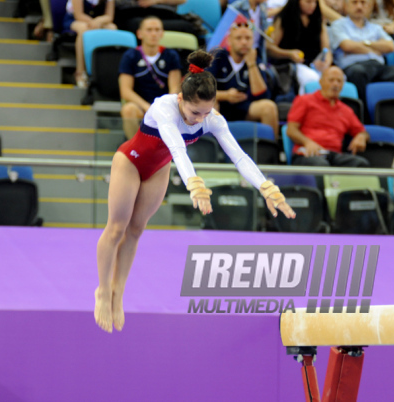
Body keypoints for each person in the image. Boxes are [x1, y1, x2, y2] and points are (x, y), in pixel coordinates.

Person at [94, 50, 296, 333]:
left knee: (136, 230)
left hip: (158, 170)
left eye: (206, 112)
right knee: (117, 228)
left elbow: (238, 156)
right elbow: (176, 147)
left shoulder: (212, 118)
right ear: (181, 100)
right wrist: (193, 182)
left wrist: (265, 185)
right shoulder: (164, 107)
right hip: (130, 162)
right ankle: (103, 290)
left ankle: (118, 291)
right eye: (193, 112)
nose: (199, 119)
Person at [287, 66, 370, 167]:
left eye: (339, 81)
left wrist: (361, 136)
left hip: (333, 155)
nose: (335, 84)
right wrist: (308, 142)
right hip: (308, 153)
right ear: (321, 82)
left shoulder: (346, 110)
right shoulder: (304, 101)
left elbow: (362, 131)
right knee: (321, 165)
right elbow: (291, 130)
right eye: (331, 80)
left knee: (361, 164)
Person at [206, 23, 279, 137]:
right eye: (239, 38)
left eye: (248, 38)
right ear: (229, 40)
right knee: (210, 103)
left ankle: (270, 150)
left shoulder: (256, 59)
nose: (244, 42)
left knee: (269, 107)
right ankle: (212, 147)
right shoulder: (218, 57)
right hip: (221, 105)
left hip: (244, 107)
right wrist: (225, 95)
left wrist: (251, 64)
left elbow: (262, 95)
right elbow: (202, 90)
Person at [118, 17, 182, 139]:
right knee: (128, 110)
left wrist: (161, 107)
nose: (153, 34)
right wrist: (148, 107)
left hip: (164, 106)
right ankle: (136, 148)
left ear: (162, 33)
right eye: (149, 30)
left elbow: (174, 88)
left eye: (157, 30)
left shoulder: (171, 56)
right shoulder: (130, 56)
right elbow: (125, 91)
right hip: (140, 106)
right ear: (139, 33)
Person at [271, 0, 333, 94]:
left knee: (336, 78)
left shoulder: (318, 19)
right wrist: (288, 53)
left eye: (315, 1)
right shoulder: (284, 19)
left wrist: (326, 62)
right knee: (311, 79)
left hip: (315, 64)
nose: (312, 5)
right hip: (292, 65)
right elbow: (270, 48)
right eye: (308, 1)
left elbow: (326, 48)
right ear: (298, 1)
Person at [64, 0, 117, 88]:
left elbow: (109, 16)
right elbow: (78, 15)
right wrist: (94, 23)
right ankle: (80, 71)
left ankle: (107, 70)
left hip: (97, 21)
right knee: (84, 31)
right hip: (76, 20)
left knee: (113, 29)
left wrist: (98, 21)